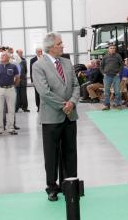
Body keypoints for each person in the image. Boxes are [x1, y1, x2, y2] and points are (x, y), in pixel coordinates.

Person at [32, 32, 79, 202]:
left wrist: (72, 103)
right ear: (51, 47)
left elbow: (76, 85)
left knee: (70, 152)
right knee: (51, 154)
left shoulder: (67, 62)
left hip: (70, 115)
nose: (62, 45)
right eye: (60, 43)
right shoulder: (38, 65)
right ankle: (52, 187)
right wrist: (63, 105)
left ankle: (70, 184)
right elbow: (44, 92)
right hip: (51, 117)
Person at [0, 50, 20, 136]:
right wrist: (0, 85)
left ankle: (11, 128)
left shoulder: (13, 66)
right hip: (0, 89)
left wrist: (13, 85)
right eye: (1, 55)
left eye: (4, 55)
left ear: (8, 57)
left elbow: (17, 78)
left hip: (10, 89)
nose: (2, 56)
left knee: (11, 109)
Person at [100, 44, 123, 110]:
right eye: (111, 48)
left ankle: (118, 104)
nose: (112, 49)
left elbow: (122, 65)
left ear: (115, 49)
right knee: (106, 91)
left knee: (117, 91)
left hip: (116, 76)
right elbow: (101, 66)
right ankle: (107, 105)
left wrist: (119, 72)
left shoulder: (118, 56)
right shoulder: (105, 57)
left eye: (113, 48)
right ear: (108, 49)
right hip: (107, 76)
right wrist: (103, 73)